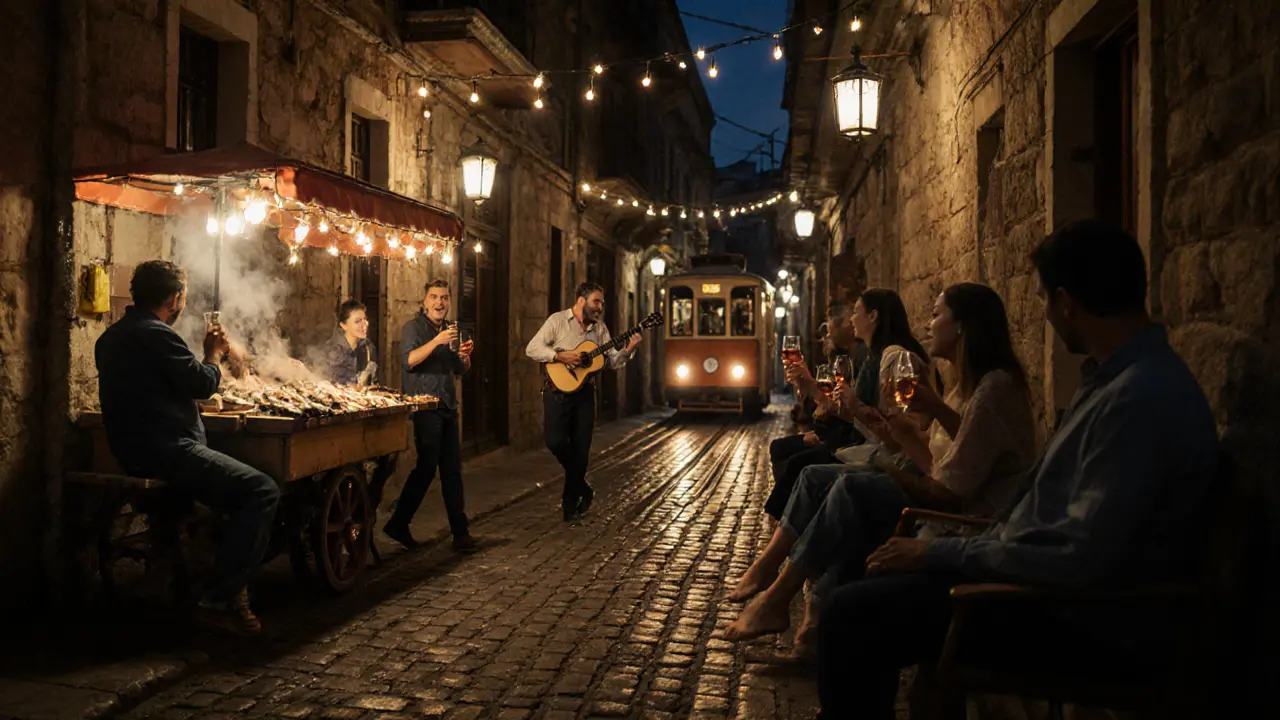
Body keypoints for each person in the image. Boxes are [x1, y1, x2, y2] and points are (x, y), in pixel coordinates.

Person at [815, 221, 1219, 718]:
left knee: (850, 615)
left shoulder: (1137, 399)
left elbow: (1078, 554)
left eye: (1044, 300)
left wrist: (940, 553)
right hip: (1029, 581)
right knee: (865, 585)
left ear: (1067, 302)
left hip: (1064, 614)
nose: (1045, 315)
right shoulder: (1116, 382)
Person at [725, 283, 1036, 656]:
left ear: (963, 327)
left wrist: (893, 447)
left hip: (964, 521)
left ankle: (783, 595)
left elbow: (947, 489)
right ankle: (781, 586)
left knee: (846, 490)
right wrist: (908, 428)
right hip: (946, 499)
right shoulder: (964, 389)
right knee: (820, 478)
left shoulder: (989, 390)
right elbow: (944, 461)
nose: (927, 324)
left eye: (937, 315)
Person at [95, 260, 280, 637]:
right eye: (183, 298)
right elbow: (201, 383)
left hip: (130, 447)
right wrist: (213, 353)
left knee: (229, 493)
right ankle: (219, 598)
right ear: (176, 298)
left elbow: (149, 389)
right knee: (262, 490)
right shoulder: (158, 335)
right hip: (167, 450)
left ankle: (208, 572)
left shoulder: (110, 337)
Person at [526, 282, 642, 523]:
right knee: (555, 441)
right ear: (581, 301)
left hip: (585, 395)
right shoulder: (557, 321)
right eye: (596, 302)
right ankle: (583, 487)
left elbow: (611, 361)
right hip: (556, 391)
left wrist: (628, 349)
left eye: (602, 302)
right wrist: (559, 355)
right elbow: (532, 348)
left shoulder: (600, 330)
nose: (600, 307)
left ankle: (570, 505)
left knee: (581, 450)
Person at [384, 280, 477, 553]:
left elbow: (458, 369)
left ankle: (460, 533)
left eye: (445, 298)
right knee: (426, 466)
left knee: (451, 470)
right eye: (434, 297)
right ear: (424, 302)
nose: (439, 303)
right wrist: (436, 341)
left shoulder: (451, 330)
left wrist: (466, 357)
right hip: (425, 406)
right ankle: (399, 523)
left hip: (447, 404)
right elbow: (409, 361)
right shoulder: (414, 328)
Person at [325, 299, 375, 386]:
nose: (364, 324)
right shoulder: (333, 350)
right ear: (344, 325)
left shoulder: (367, 347)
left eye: (365, 319)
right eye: (358, 321)